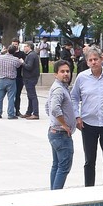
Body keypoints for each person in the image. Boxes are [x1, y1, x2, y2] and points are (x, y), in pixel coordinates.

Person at [70, 47, 103, 186]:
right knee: (89, 161)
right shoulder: (82, 77)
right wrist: (77, 116)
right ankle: (89, 189)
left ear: (101, 59)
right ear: (87, 62)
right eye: (90, 60)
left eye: (96, 59)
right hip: (88, 124)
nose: (93, 62)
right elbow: (74, 97)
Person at [45, 59, 76, 189]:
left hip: (55, 132)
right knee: (63, 168)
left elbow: (47, 107)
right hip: (61, 134)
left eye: (68, 71)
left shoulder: (60, 87)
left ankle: (53, 194)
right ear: (56, 74)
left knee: (57, 165)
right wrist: (63, 124)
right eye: (62, 71)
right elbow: (53, 108)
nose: (66, 74)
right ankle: (56, 196)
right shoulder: (59, 89)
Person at [0, 43, 23, 120]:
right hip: (11, 80)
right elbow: (19, 65)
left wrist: (1, 52)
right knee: (11, 98)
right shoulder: (15, 59)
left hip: (1, 80)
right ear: (14, 52)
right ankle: (10, 114)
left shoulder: (0, 58)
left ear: (7, 50)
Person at [20, 42, 40, 119]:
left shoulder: (31, 55)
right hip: (29, 77)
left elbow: (29, 67)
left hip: (30, 78)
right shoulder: (31, 55)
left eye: (25, 46)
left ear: (29, 47)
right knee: (30, 96)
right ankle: (29, 112)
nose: (24, 48)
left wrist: (22, 63)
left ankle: (35, 113)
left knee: (32, 95)